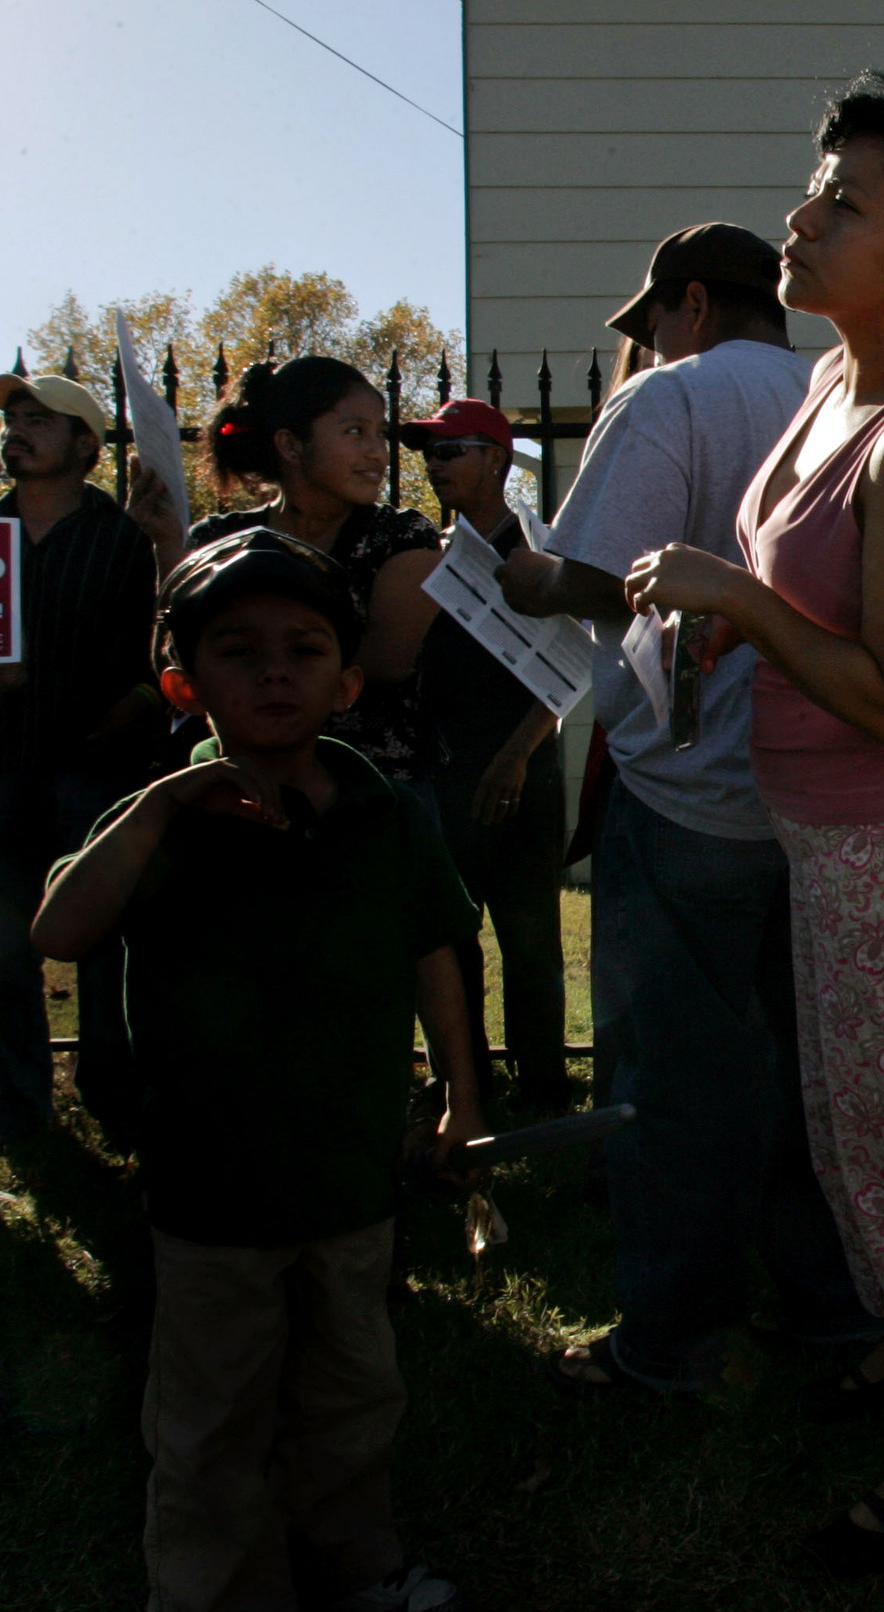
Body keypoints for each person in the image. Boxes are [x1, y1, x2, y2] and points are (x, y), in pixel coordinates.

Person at [622, 75, 884, 1572]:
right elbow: (823, 599)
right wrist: (746, 617)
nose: (804, 211)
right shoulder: (831, 381)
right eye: (818, 183)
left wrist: (737, 602)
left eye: (846, 200)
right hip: (830, 824)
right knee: (855, 1120)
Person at [32, 529, 483, 1612]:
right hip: (211, 1200)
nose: (275, 672)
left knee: (350, 1399)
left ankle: (355, 1568)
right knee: (211, 1420)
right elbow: (59, 928)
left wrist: (460, 1098)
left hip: (349, 1183)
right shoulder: (163, 821)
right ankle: (218, 1607)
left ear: (347, 678)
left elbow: (435, 953)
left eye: (303, 648)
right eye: (238, 651)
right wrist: (153, 813)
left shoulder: (381, 810)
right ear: (183, 682)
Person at [497, 220, 876, 1395]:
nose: (648, 342)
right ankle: (826, 1312)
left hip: (688, 792)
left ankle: (669, 1338)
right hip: (824, 791)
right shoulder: (848, 396)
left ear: (694, 305)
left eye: (653, 320)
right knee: (815, 1079)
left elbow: (605, 572)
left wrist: (525, 572)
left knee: (672, 1082)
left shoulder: (677, 396)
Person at [132, 358, 443, 784]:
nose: (377, 452)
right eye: (355, 431)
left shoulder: (402, 536)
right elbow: (175, 657)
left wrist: (239, 663)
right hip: (236, 788)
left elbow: (387, 662)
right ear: (291, 445)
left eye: (380, 433)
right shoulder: (219, 537)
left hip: (366, 791)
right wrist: (166, 543)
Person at [0, 371, 158, 1149]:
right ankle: (21, 1108)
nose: (18, 430)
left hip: (94, 773)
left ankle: (112, 1096)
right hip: (1, 769)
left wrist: (136, 698)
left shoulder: (123, 539)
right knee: (2, 944)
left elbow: (155, 655)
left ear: (86, 446)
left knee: (100, 947)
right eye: (14, 418)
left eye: (39, 419)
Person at [406, 398, 569, 1111]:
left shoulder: (535, 550)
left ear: (497, 458)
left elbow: (570, 664)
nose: (434, 464)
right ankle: (467, 1084)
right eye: (428, 454)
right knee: (450, 939)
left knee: (531, 941)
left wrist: (516, 755)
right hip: (444, 773)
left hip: (521, 776)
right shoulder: (426, 555)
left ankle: (543, 1089)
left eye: (450, 451)